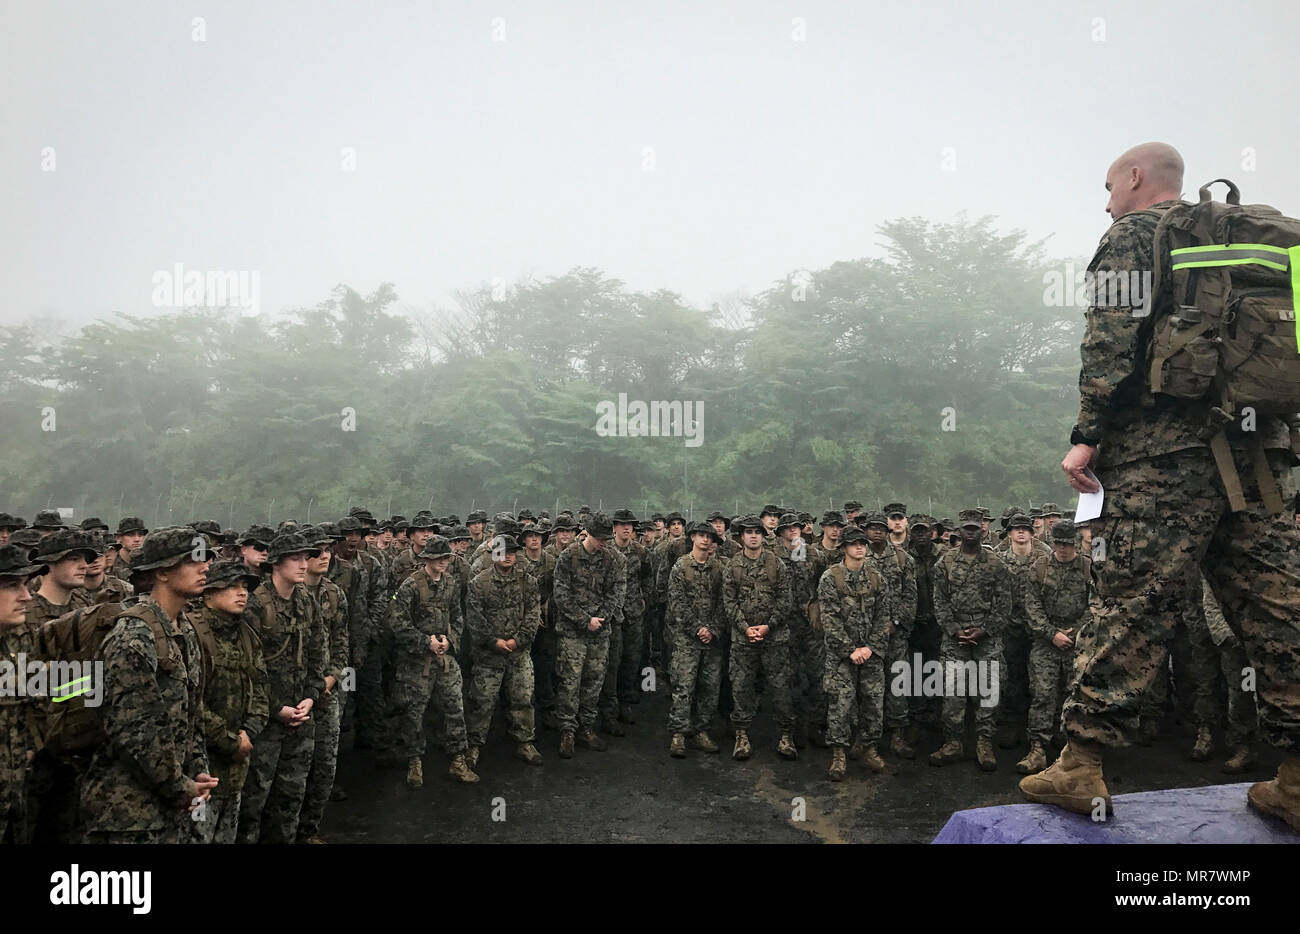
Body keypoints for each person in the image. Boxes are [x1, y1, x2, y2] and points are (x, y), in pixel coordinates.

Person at [1031, 142, 1300, 828]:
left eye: (1108, 185)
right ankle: (1298, 780)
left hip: (1166, 453)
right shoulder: (1255, 237)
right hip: (1260, 450)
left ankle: (1081, 763)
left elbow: (1110, 343)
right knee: (1281, 607)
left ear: (1134, 177)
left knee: (1132, 598)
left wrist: (1087, 433)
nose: (1106, 200)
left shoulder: (1134, 235)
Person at [80, 528, 216, 843]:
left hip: (172, 804)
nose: (205, 567)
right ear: (162, 572)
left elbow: (191, 714)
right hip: (129, 814)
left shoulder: (182, 628)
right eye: (194, 560)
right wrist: (179, 786)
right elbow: (132, 731)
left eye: (206, 559)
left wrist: (197, 770)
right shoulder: (133, 635)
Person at [189, 559, 268, 843]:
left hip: (237, 764)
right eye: (232, 586)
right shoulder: (191, 633)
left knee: (226, 835)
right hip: (200, 766)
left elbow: (260, 688)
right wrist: (229, 740)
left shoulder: (246, 634)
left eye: (245, 586)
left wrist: (249, 732)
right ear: (208, 593)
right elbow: (188, 702)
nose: (242, 592)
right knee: (197, 834)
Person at [819, 526, 889, 781]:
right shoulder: (831, 578)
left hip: (871, 652)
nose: (860, 547)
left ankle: (869, 748)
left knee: (873, 702)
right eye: (854, 543)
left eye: (862, 543)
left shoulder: (876, 578)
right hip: (842, 654)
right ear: (844, 548)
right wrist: (850, 650)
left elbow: (883, 617)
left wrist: (870, 647)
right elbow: (829, 619)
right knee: (841, 703)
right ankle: (839, 754)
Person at [665, 522, 726, 757]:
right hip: (687, 639)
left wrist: (712, 629)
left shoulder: (719, 569)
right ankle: (679, 733)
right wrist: (696, 628)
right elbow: (677, 603)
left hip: (713, 639)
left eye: (710, 537)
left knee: (710, 687)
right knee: (683, 686)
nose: (706, 540)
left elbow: (724, 603)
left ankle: (701, 730)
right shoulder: (681, 567)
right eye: (701, 535)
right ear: (692, 538)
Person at [0, 546, 46, 843]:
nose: (27, 596)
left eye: (26, 585)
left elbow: (37, 699)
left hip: (15, 796)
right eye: (11, 586)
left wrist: (32, 745)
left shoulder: (18, 642)